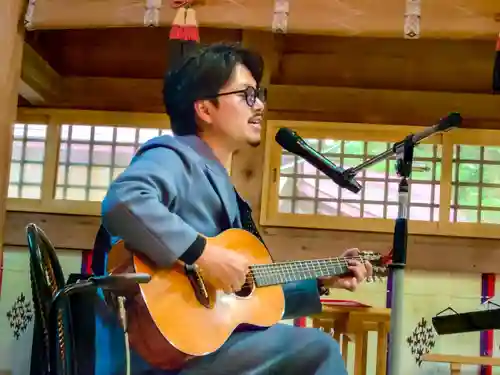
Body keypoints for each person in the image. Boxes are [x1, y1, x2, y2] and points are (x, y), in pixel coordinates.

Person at [95, 42, 373, 375]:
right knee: (318, 349)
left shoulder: (223, 186)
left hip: (202, 348)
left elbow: (247, 295)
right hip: (158, 353)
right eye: (247, 96)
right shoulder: (173, 155)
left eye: (260, 95)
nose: (260, 107)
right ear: (205, 109)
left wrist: (320, 281)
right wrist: (203, 254)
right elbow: (125, 200)